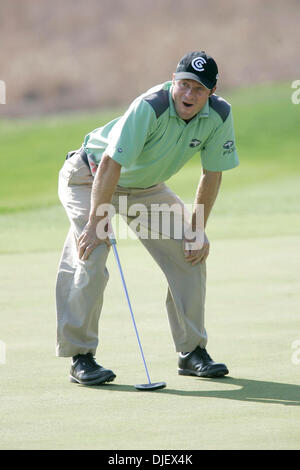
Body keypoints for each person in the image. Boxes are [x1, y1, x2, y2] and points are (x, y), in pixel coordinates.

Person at [56, 51, 239, 386]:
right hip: (90, 175)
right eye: (184, 84)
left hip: (145, 187)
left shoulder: (219, 114)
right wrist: (99, 224)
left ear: (211, 92)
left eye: (198, 89)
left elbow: (212, 173)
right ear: (174, 81)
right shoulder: (150, 106)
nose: (188, 94)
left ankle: (191, 352)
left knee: (191, 250)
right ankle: (80, 357)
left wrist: (197, 229)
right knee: (93, 252)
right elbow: (111, 164)